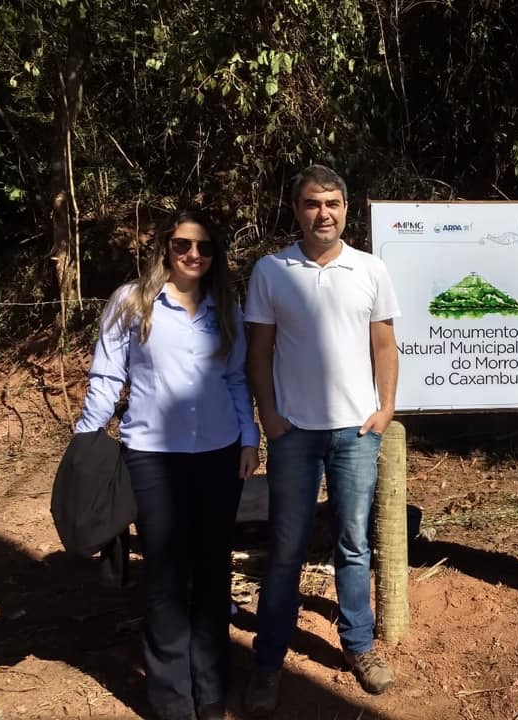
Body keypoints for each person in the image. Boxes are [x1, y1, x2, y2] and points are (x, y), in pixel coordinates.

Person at [75, 209, 260, 720]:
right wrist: (85, 442)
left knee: (212, 572)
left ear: (215, 255)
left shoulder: (227, 307)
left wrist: (249, 438)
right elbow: (107, 377)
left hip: (219, 454)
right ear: (165, 248)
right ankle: (172, 701)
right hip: (152, 457)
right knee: (166, 576)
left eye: (204, 247)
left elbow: (236, 379)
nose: (193, 255)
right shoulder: (131, 302)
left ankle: (211, 691)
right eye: (182, 244)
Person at [243, 164, 401, 712]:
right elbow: (259, 352)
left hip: (356, 433)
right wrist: (269, 415)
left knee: (353, 543)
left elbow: (384, 345)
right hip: (294, 434)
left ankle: (359, 646)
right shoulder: (271, 271)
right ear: (296, 210)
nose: (323, 213)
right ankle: (268, 661)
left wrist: (385, 408)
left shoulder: (370, 269)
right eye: (312, 203)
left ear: (346, 209)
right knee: (286, 549)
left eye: (332, 203)